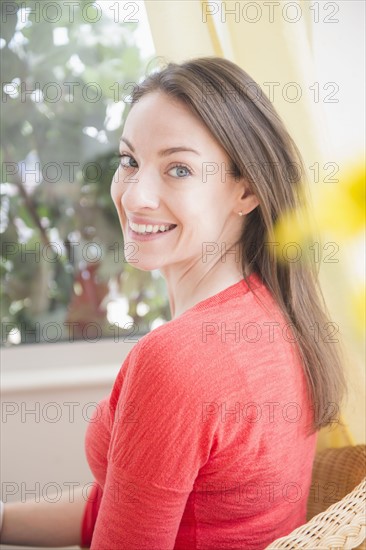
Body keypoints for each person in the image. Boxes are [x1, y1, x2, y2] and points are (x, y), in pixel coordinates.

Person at [0, 57, 346, 549]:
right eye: (129, 162)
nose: (136, 195)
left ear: (245, 189)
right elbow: (127, 506)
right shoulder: (272, 312)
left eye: (178, 169)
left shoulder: (180, 360)